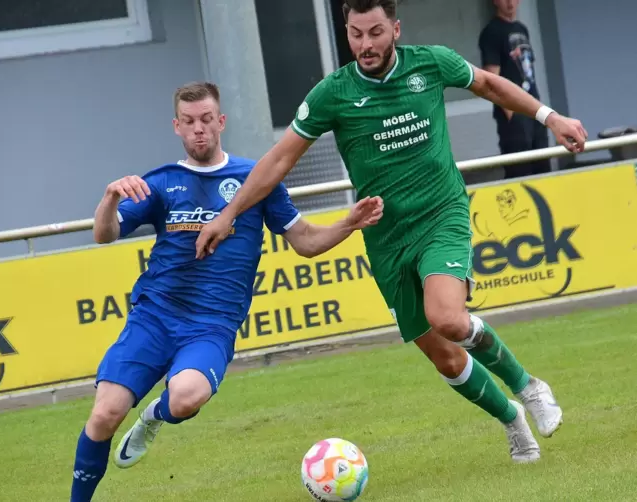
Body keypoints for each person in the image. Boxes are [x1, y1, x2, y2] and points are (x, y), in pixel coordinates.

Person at [195, 0, 589, 464]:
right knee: (444, 356)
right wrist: (229, 213)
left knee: (446, 316)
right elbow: (279, 159)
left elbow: (488, 83)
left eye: (375, 32)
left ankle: (529, 387)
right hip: (385, 235)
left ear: (396, 29)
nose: (365, 44)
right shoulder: (332, 94)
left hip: (441, 213)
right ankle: (511, 419)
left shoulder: (431, 62)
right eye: (356, 34)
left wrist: (551, 117)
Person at [69, 81, 384, 502]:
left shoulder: (255, 180)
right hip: (154, 317)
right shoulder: (162, 183)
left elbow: (304, 241)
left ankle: (151, 418)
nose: (198, 129)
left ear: (221, 122)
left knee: (184, 396)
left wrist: (348, 224)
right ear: (176, 127)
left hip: (211, 326)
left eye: (206, 120)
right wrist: (109, 198)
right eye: (188, 122)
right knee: (105, 414)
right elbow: (103, 234)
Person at [479, 0, 551, 178]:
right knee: (520, 169)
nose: (510, 3)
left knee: (543, 163)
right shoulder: (492, 32)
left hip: (534, 108)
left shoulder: (522, 29)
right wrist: (511, 114)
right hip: (513, 110)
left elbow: (528, 71)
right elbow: (491, 78)